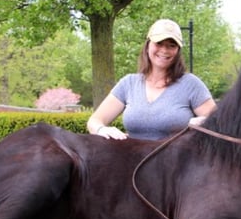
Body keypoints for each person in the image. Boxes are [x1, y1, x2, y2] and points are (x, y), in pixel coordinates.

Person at [87, 18, 217, 141]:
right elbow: (94, 121)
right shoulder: (128, 84)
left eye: (171, 45)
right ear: (148, 45)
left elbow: (220, 124)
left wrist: (203, 122)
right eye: (159, 43)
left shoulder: (191, 84)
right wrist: (101, 129)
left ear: (178, 51)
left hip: (177, 163)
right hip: (133, 162)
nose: (164, 50)